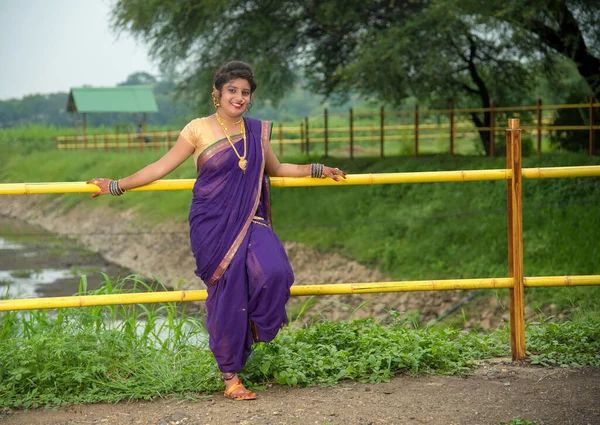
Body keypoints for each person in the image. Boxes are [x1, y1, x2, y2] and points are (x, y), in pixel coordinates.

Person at [87, 61, 346, 401]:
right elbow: (161, 167)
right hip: (212, 224)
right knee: (228, 294)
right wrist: (117, 185)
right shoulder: (197, 129)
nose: (238, 98)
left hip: (249, 220)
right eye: (232, 91)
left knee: (276, 273)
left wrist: (318, 168)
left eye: (245, 93)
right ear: (218, 93)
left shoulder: (255, 131)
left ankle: (248, 333)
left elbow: (278, 168)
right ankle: (231, 377)